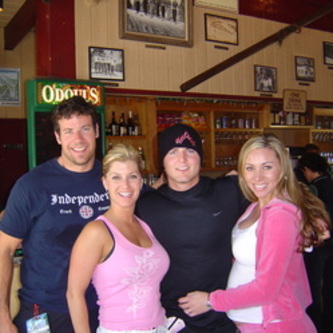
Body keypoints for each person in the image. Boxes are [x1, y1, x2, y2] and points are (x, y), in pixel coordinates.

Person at [178, 134, 330, 333]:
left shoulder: (279, 214)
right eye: (250, 168)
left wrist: (210, 300)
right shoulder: (255, 206)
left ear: (282, 169)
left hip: (274, 325)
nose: (257, 177)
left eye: (267, 167)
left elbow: (266, 290)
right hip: (255, 324)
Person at [0, 96, 110, 333]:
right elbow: (4, 249)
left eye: (85, 129)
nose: (78, 139)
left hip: (105, 308)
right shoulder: (32, 185)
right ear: (58, 136)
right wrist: (2, 317)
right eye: (69, 131)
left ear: (97, 131)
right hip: (47, 310)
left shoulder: (114, 178)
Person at [136, 123, 249, 333]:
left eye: (190, 150)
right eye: (173, 152)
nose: (182, 159)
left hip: (221, 318)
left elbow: (274, 192)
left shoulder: (229, 190)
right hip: (166, 322)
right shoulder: (145, 204)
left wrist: (310, 216)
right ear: (162, 160)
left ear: (200, 157)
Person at [67, 143, 170, 333]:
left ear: (141, 181)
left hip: (160, 326)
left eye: (132, 176)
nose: (125, 185)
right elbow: (74, 294)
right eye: (116, 177)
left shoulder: (144, 226)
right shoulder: (96, 232)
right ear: (105, 182)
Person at [298, 152, 333, 333]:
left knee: (312, 288)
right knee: (330, 287)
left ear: (307, 170)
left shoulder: (313, 190)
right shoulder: (331, 182)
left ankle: (315, 326)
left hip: (320, 245)